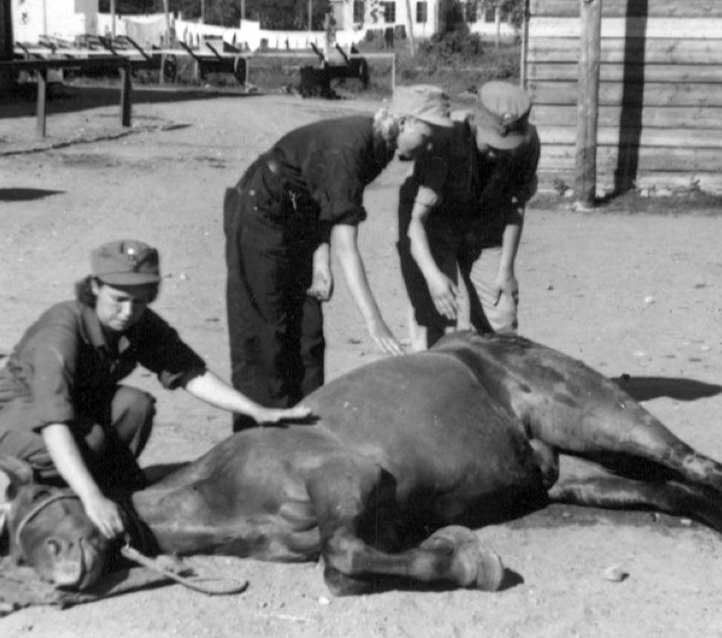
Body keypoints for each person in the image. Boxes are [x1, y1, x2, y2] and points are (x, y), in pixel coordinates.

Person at [0, 239, 313, 540]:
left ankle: (109, 493)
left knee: (135, 405)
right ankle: (38, 501)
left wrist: (256, 410)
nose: (128, 311)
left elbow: (191, 373)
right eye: (118, 299)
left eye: (140, 301)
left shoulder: (139, 322)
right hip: (8, 418)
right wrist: (91, 498)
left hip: (72, 411)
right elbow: (54, 423)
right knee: (92, 441)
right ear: (94, 286)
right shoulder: (61, 329)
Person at [224, 85, 453, 431]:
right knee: (263, 338)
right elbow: (348, 244)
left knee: (307, 339)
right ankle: (254, 446)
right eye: (427, 133)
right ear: (405, 122)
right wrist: (373, 319)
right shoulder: (351, 147)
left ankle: (303, 437)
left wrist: (320, 262)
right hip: (261, 213)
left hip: (298, 221)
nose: (430, 145)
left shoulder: (381, 146)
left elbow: (324, 203)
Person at [398, 80, 541, 350]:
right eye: (493, 144)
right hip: (434, 226)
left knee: (503, 319)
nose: (500, 154)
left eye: (507, 146)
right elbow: (416, 221)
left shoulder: (527, 143)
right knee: (437, 320)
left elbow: (516, 205)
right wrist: (433, 277)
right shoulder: (444, 140)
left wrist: (506, 269)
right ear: (475, 122)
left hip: (485, 227)